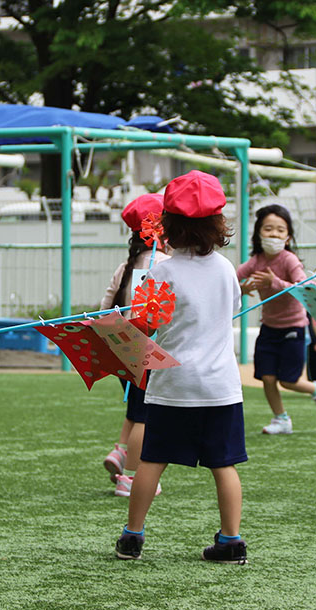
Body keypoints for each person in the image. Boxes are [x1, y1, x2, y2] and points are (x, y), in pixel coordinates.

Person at [114, 170, 247, 563]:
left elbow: (144, 324)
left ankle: (132, 536)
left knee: (152, 461)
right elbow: (234, 310)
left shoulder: (162, 271)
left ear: (167, 224)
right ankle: (231, 540)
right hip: (220, 386)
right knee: (224, 465)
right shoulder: (226, 269)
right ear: (218, 224)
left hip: (173, 384)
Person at [237, 204, 316, 435]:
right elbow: (232, 279)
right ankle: (281, 419)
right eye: (268, 229)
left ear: (288, 237)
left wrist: (275, 283)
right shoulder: (255, 261)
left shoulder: (289, 260)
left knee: (288, 381)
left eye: (280, 230)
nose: (273, 234)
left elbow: (306, 288)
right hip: (269, 328)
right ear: (259, 234)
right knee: (267, 377)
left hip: (293, 328)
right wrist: (242, 288)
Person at [101, 193, 170, 496]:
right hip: (151, 351)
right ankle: (130, 477)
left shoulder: (125, 267)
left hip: (122, 348)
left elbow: (104, 308)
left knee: (135, 408)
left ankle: (119, 450)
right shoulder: (168, 265)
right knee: (147, 415)